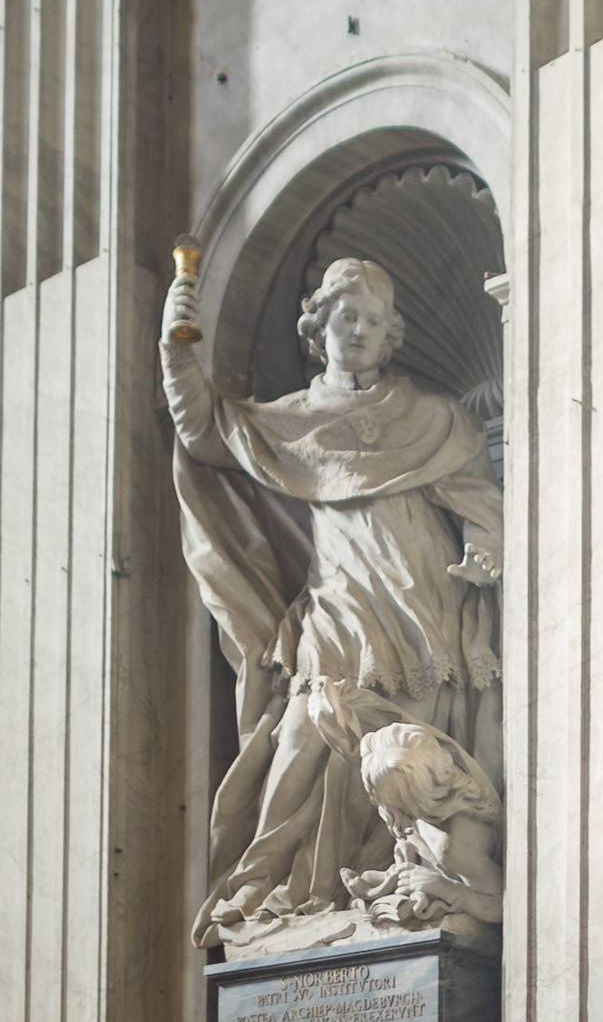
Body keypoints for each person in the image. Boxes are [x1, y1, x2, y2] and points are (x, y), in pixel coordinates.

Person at [159, 255, 505, 955]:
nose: (359, 331)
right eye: (347, 316)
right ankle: (270, 883)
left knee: (409, 750)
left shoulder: (433, 418)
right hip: (338, 602)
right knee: (306, 735)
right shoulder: (293, 420)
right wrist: (176, 347)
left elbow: (478, 498)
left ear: (390, 336)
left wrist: (486, 547)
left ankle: (402, 880)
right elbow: (203, 429)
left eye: (374, 322)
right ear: (320, 327)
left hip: (422, 603)